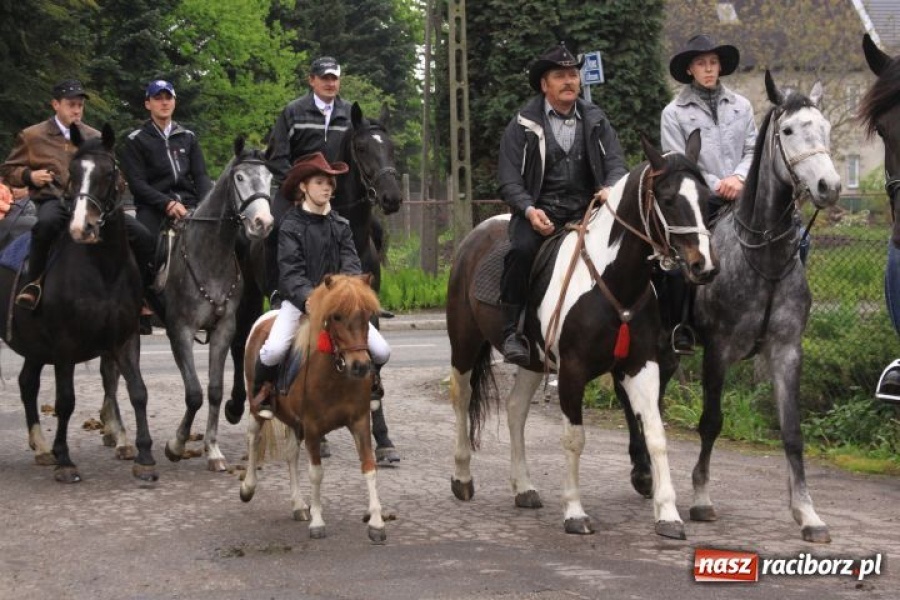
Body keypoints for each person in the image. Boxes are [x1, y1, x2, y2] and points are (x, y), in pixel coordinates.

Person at [497, 43, 628, 366]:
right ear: (545, 84)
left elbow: (616, 163)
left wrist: (611, 187)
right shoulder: (521, 125)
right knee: (521, 252)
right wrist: (529, 209)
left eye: (573, 75)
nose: (569, 81)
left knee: (633, 249)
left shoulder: (597, 119)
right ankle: (513, 330)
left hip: (589, 213)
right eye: (560, 76)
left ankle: (639, 325)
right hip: (541, 215)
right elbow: (509, 181)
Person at [250, 152, 391, 420]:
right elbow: (290, 273)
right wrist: (308, 299)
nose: (327, 187)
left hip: (339, 306)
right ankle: (264, 391)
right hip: (301, 303)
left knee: (382, 350)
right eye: (319, 181)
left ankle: (371, 384)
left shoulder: (341, 225)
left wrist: (347, 292)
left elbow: (351, 264)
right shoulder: (289, 225)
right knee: (274, 350)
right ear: (303, 186)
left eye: (330, 182)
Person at [0, 79, 156, 310]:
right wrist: (30, 177)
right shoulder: (32, 135)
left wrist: (115, 183)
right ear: (55, 104)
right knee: (45, 224)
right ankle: (34, 284)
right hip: (55, 200)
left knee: (143, 236)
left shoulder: (95, 136)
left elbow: (116, 174)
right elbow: (7, 170)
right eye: (71, 104)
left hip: (93, 204)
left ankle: (140, 292)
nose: (76, 110)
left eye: (80, 105)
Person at [659, 34, 758, 354]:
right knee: (678, 262)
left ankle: (771, 313)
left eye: (713, 62)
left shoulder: (742, 106)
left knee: (796, 237)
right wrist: (718, 184)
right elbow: (677, 160)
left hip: (743, 192)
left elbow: (753, 149)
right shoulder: (673, 113)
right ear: (690, 69)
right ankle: (682, 326)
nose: (708, 68)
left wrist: (739, 178)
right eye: (701, 63)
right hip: (702, 197)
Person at [265, 56, 352, 297]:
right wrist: (296, 187)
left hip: (336, 190)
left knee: (372, 231)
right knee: (273, 230)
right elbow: (276, 156)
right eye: (325, 78)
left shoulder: (348, 114)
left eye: (334, 78)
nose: (330, 83)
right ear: (312, 80)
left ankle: (361, 294)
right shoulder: (293, 111)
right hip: (295, 190)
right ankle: (275, 290)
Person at [120, 79, 213, 240]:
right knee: (144, 241)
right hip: (153, 208)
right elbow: (137, 184)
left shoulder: (188, 137)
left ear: (174, 102)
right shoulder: (136, 140)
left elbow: (201, 176)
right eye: (158, 98)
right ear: (148, 104)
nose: (164, 103)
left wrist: (205, 204)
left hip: (190, 203)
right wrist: (167, 203)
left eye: (168, 98)